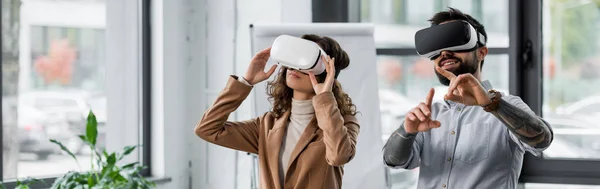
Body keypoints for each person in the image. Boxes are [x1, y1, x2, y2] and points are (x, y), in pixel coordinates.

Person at [382, 8, 554, 189]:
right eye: (437, 46)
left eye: (454, 41)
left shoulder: (507, 105)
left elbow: (542, 140)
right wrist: (406, 131)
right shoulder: (429, 114)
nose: (444, 53)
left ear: (481, 52)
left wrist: (492, 104)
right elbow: (392, 161)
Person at [195, 34, 360, 189]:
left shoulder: (343, 122)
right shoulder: (267, 126)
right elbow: (207, 129)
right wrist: (246, 82)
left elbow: (339, 156)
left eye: (307, 61)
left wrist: (325, 97)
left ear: (326, 73)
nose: (296, 66)